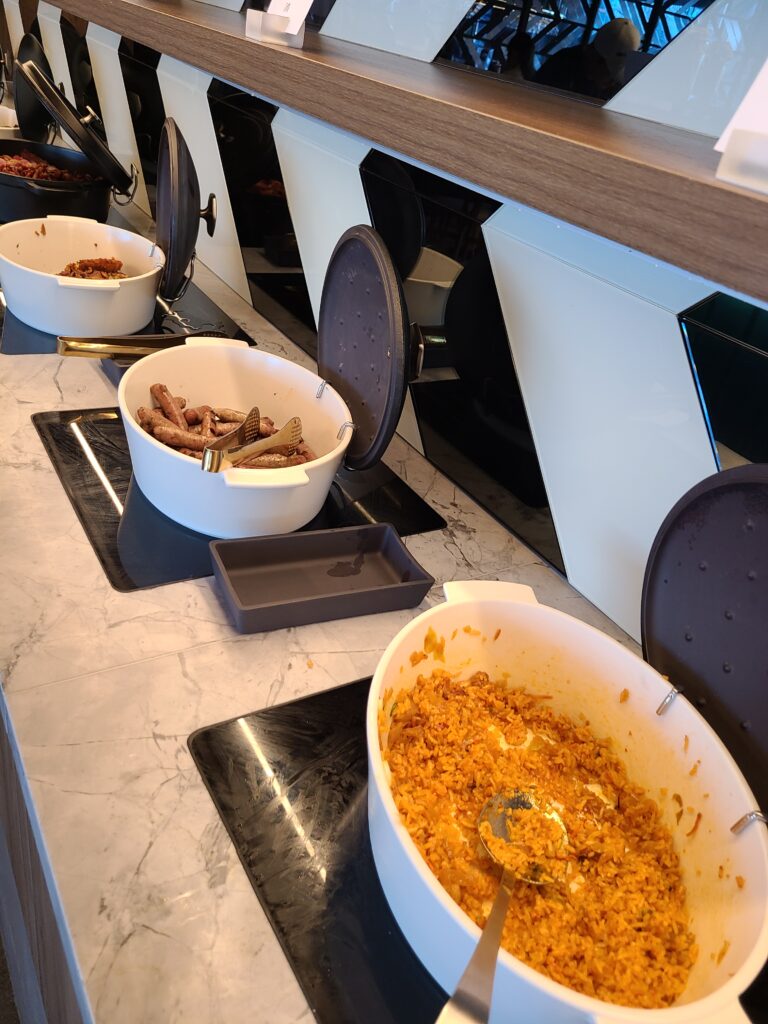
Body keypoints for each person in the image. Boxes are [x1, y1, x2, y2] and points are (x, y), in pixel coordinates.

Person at [533, 18, 641, 101]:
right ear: (594, 56)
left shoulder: (617, 88)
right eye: (610, 74)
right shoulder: (561, 67)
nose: (612, 83)